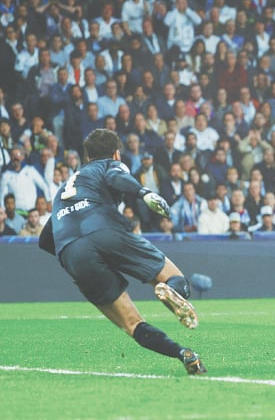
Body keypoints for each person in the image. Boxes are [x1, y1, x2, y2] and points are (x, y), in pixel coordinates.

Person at [37, 129, 206, 375]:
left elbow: (44, 240)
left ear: (87, 157)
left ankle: (183, 354)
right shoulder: (110, 165)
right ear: (116, 153)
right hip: (105, 229)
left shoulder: (64, 190)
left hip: (72, 252)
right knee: (175, 278)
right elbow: (117, 178)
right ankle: (171, 291)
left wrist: (81, 255)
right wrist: (143, 192)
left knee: (132, 323)